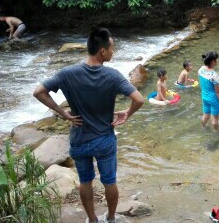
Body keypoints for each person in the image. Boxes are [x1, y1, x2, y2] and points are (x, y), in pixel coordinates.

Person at [33, 27, 144, 223]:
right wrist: (127, 113)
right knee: (109, 180)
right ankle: (110, 218)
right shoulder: (113, 76)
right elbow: (139, 99)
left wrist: (64, 114)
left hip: (79, 139)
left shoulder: (68, 73)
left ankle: (92, 219)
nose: (113, 51)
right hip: (104, 139)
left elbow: (39, 91)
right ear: (103, 51)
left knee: (85, 181)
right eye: (112, 48)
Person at [198, 51, 219, 131]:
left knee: (205, 115)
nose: (217, 61)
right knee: (215, 120)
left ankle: (203, 127)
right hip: (214, 99)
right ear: (213, 61)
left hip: (204, 96)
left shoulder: (201, 70)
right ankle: (217, 133)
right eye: (216, 60)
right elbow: (218, 92)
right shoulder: (214, 75)